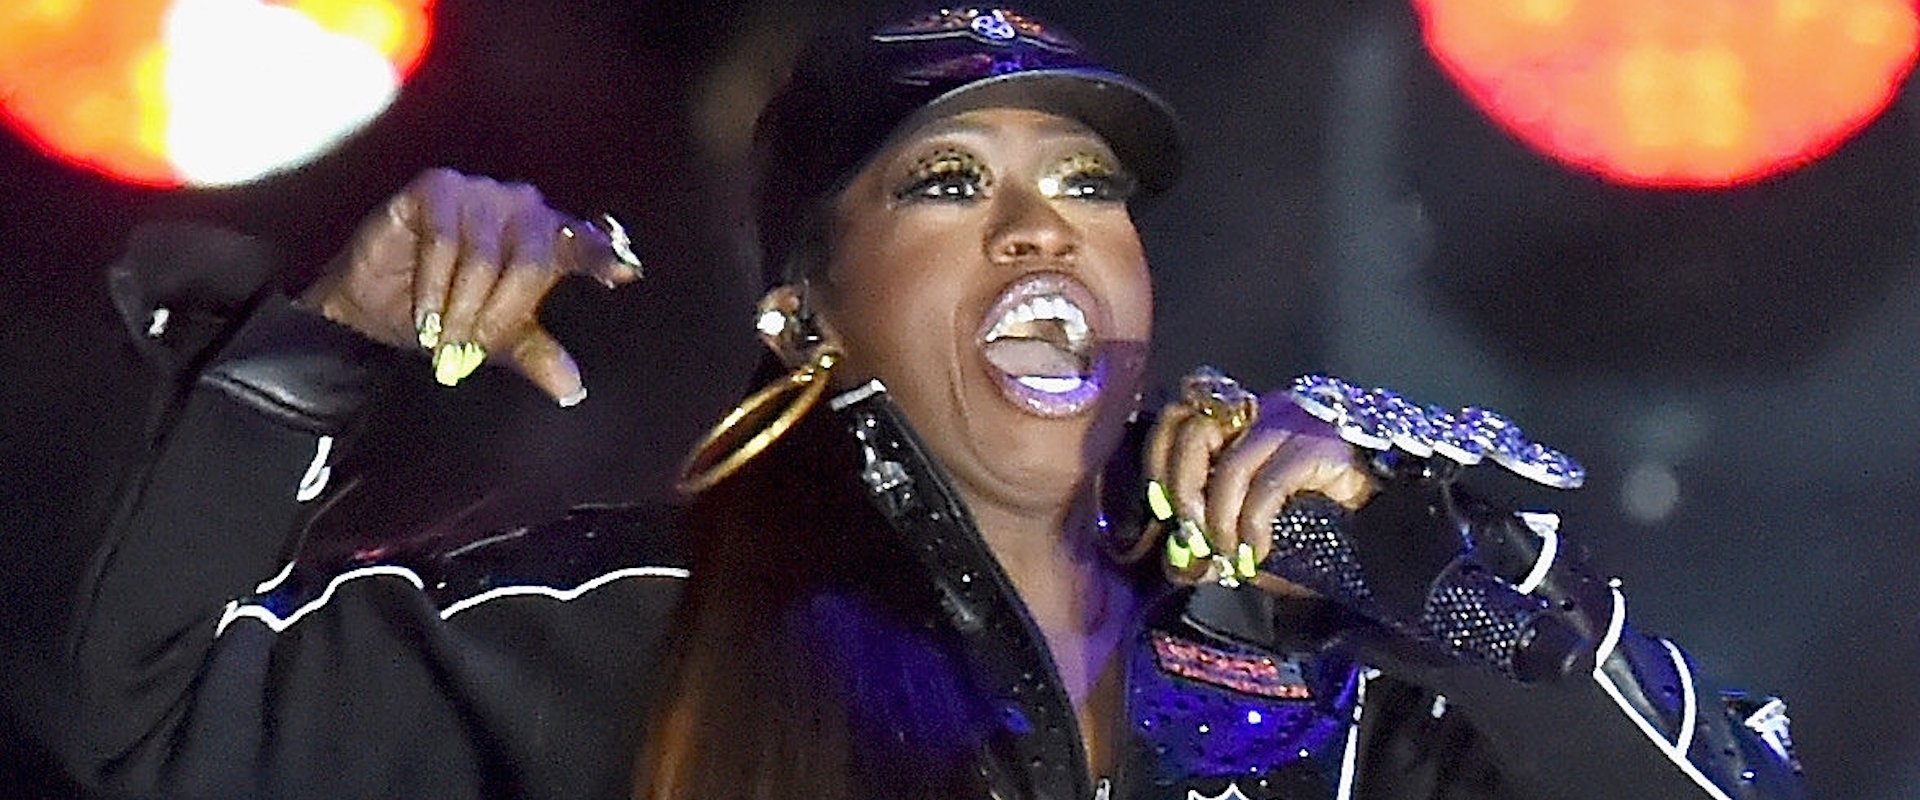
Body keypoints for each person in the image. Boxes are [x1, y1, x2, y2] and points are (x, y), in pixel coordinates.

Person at [62, 6, 1804, 800]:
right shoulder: (629, 628)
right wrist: (325, 342)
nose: (1048, 221)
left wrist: (1494, 614)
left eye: (1091, 189)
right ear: (805, 314)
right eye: (952, 185)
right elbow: (131, 724)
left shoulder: (1326, 681)